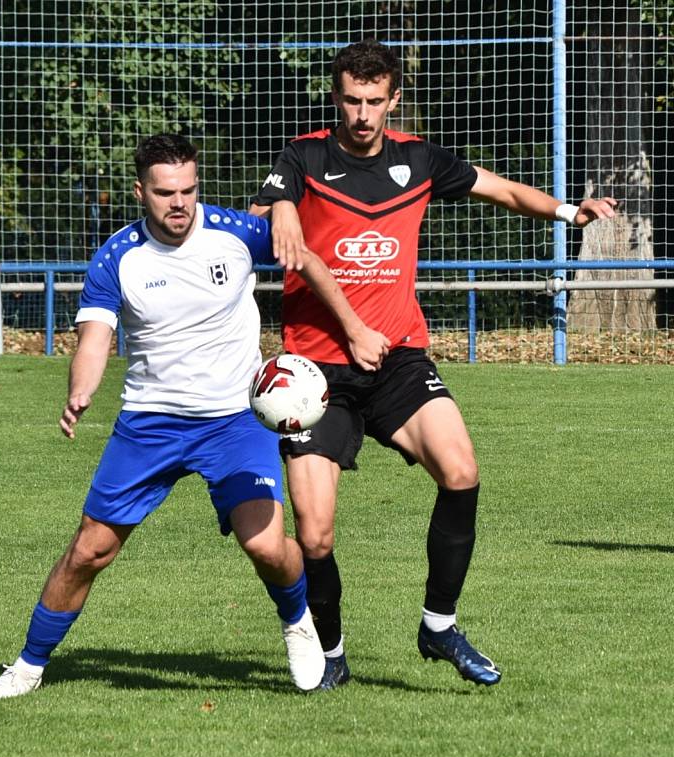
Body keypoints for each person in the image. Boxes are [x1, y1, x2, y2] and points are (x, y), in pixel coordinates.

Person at [250, 39, 617, 690]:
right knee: (316, 536)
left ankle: (439, 625)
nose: (362, 113)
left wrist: (568, 211)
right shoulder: (302, 156)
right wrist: (279, 211)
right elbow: (276, 206)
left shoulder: (418, 160)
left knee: (461, 469)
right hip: (316, 375)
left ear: (393, 100)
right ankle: (330, 653)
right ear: (336, 98)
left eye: (374, 101)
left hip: (396, 358)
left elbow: (497, 189)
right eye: (351, 100)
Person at [0, 133, 388, 699]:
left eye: (189, 190)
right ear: (140, 191)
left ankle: (298, 624)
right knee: (89, 550)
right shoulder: (117, 258)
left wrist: (353, 327)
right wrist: (80, 391)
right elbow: (95, 338)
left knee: (267, 546)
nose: (179, 203)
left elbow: (309, 260)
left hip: (234, 422)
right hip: (150, 424)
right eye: (165, 192)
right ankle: (28, 665)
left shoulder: (239, 234)